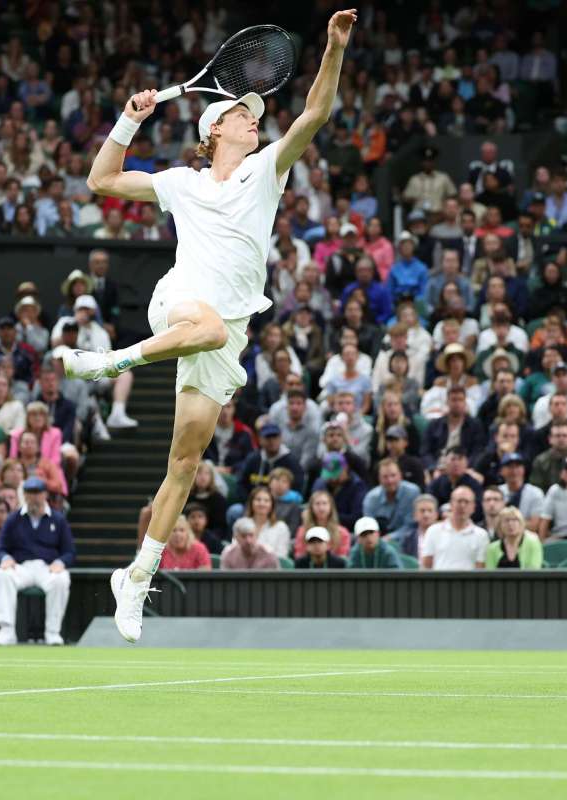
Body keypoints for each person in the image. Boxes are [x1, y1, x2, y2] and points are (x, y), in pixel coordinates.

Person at [67, 9, 359, 643]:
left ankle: (137, 575)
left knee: (184, 462)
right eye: (241, 113)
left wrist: (333, 49)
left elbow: (315, 113)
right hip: (180, 304)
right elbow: (102, 179)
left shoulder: (267, 171)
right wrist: (130, 120)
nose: (254, 117)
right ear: (214, 127)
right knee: (207, 328)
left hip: (226, 328)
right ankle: (108, 362)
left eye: (254, 113)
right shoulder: (181, 182)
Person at [0, 477, 75, 645]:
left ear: (45, 495)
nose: (33, 497)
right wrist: (5, 558)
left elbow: (70, 552)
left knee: (61, 579)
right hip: (21, 567)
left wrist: (61, 562)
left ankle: (52, 632)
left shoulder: (58, 520)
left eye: (37, 493)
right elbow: (1, 548)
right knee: (3, 575)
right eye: (29, 493)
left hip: (47, 568)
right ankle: (6, 631)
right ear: (24, 495)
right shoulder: (13, 519)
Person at [420, 486, 487, 569]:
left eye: (467, 502)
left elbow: (480, 567)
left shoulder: (481, 535)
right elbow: (426, 564)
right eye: (459, 501)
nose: (462, 505)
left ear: (473, 507)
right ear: (451, 504)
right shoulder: (433, 531)